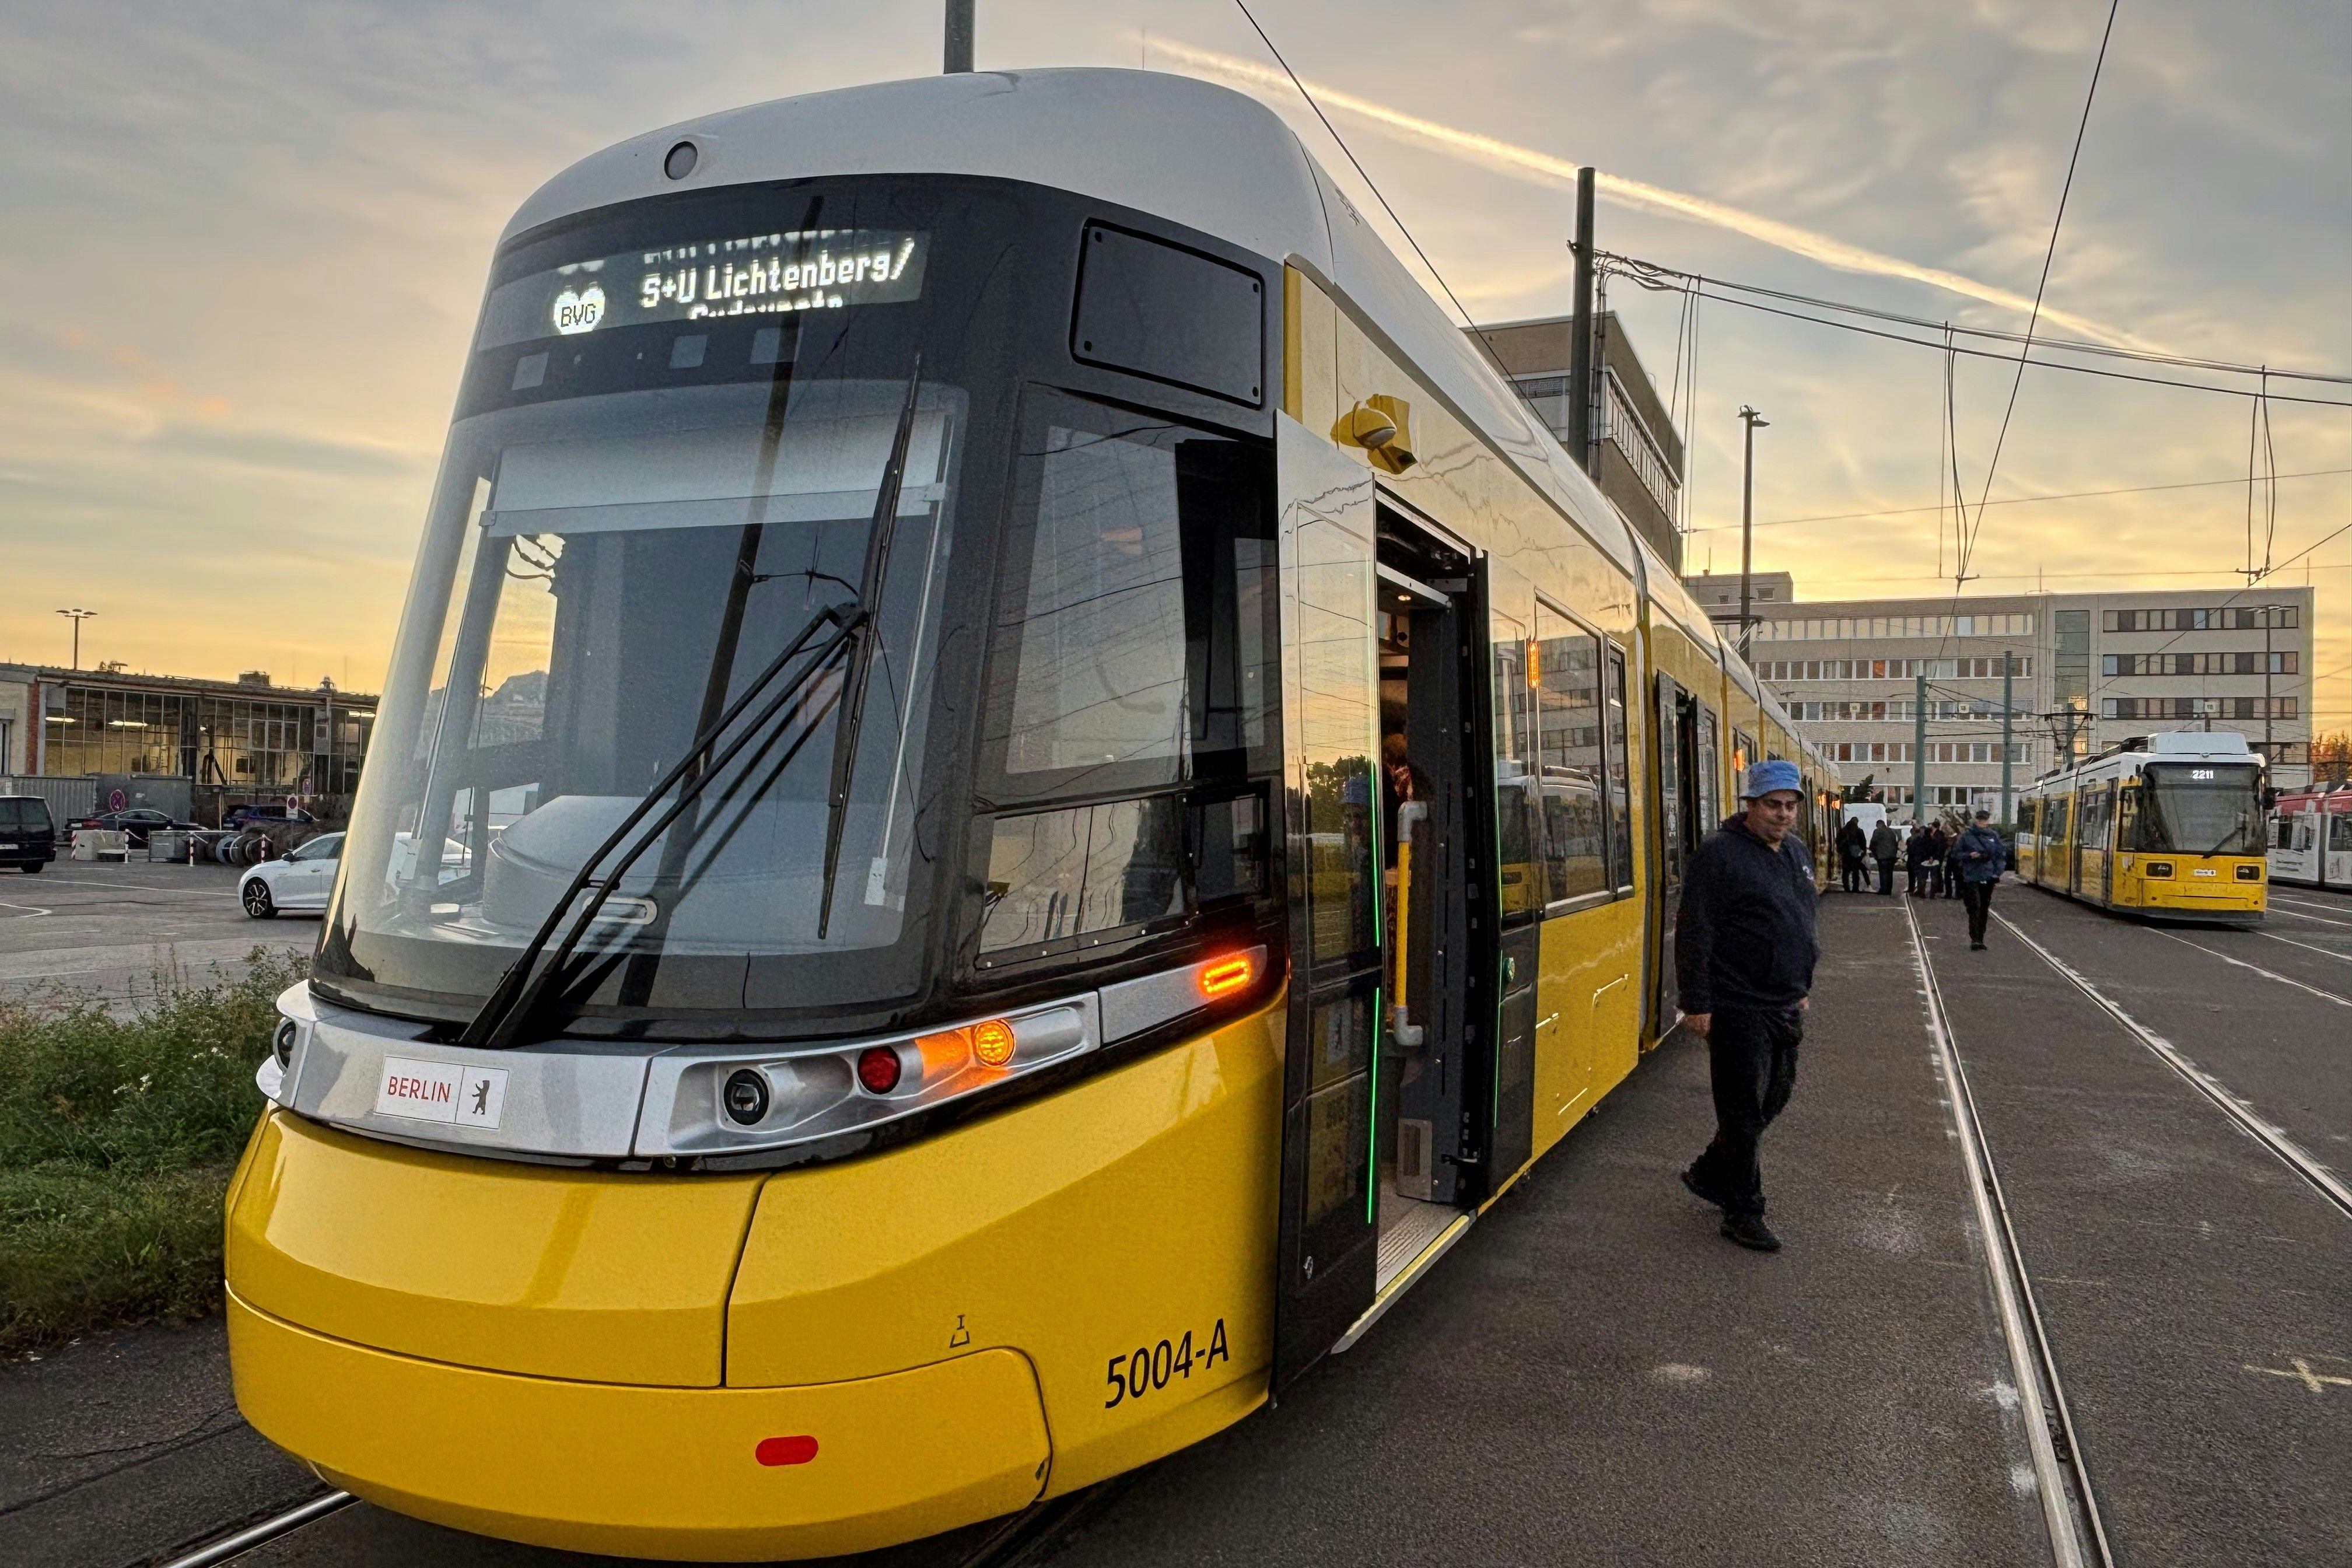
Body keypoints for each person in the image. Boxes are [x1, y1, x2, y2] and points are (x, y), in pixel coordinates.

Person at [1676, 759, 1819, 1252]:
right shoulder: (1719, 855)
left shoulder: (1796, 853)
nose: (1783, 815)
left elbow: (1802, 922)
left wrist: (1802, 982)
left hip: (1784, 1000)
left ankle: (1710, 1171)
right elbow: (1696, 931)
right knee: (1740, 1112)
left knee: (1773, 1099)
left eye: (1790, 806)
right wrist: (1697, 1002)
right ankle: (1743, 1210)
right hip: (1737, 1002)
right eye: (1773, 805)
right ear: (1751, 806)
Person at [1955, 808, 2006, 948]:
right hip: (1971, 876)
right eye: (1980, 819)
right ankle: (1975, 938)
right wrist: (1970, 856)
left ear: (1988, 821)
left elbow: (2000, 855)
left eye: (1985, 819)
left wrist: (1998, 872)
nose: (1982, 822)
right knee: (1974, 906)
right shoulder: (1967, 836)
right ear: (1976, 820)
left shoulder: (1993, 836)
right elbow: (1956, 854)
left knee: (1984, 907)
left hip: (1988, 876)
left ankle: (1980, 938)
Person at [1869, 818, 1901, 895]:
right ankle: (1889, 890)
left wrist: (1875, 854)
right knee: (1889, 874)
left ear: (1878, 825)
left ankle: (1883, 890)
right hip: (1892, 857)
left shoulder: (1877, 832)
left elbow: (1873, 844)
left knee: (1883, 873)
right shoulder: (1892, 832)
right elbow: (1896, 844)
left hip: (1882, 857)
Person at [1836, 815, 1867, 894]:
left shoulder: (1843, 831)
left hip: (1846, 855)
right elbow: (1863, 843)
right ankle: (1855, 888)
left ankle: (1846, 887)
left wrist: (1840, 851)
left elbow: (1838, 841)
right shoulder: (1859, 831)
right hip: (1856, 855)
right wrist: (1863, 854)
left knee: (1846, 872)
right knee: (1855, 872)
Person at [1905, 820, 1933, 896]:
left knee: (1919, 876)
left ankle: (1920, 891)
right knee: (1921, 876)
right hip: (1921, 859)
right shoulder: (1928, 839)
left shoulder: (1917, 839)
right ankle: (1920, 891)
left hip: (1917, 859)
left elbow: (1912, 849)